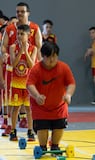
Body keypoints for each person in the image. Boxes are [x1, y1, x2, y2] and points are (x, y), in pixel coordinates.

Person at [0, 2, 42, 134]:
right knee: (10, 98)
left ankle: (30, 126)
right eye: (17, 11)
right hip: (13, 69)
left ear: (28, 13)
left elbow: (39, 47)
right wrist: (4, 53)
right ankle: (8, 124)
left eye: (22, 11)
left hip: (29, 69)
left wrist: (40, 65)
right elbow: (3, 45)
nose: (19, 14)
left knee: (29, 101)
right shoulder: (10, 28)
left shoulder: (35, 28)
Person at [26, 42, 76, 153]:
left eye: (54, 56)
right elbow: (29, 85)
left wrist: (68, 94)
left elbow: (71, 83)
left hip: (59, 106)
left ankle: (55, 146)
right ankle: (43, 147)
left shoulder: (64, 67)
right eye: (48, 57)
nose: (52, 59)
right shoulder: (36, 69)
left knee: (59, 126)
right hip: (41, 107)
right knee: (42, 128)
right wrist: (37, 96)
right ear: (43, 56)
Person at [9, 24, 37, 141]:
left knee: (29, 108)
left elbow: (32, 65)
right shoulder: (13, 47)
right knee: (15, 108)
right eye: (18, 34)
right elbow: (13, 64)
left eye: (22, 34)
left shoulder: (33, 49)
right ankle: (13, 130)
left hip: (28, 84)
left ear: (28, 35)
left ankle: (30, 130)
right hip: (16, 83)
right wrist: (21, 51)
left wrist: (26, 50)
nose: (19, 36)